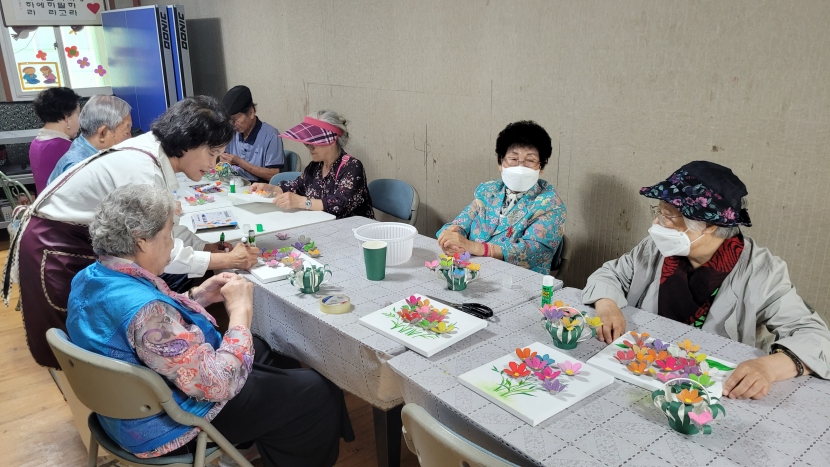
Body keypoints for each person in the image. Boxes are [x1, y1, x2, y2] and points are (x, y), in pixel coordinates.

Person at [66, 184, 353, 466]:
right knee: (318, 391)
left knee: (268, 350)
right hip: (168, 423)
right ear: (141, 241)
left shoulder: (90, 276)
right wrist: (240, 312)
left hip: (124, 408)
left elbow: (148, 328)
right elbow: (217, 385)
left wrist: (199, 295)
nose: (172, 245)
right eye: (168, 235)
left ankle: (263, 438)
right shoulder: (147, 313)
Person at [2, 96, 259, 370]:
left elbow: (164, 226)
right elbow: (158, 251)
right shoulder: (143, 169)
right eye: (213, 152)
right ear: (188, 141)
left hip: (74, 240)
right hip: (59, 246)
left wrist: (202, 247)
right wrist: (226, 260)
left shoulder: (153, 152)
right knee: (82, 348)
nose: (215, 163)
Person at [583, 161, 830, 399]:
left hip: (708, 387)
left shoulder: (761, 272)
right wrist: (608, 305)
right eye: (657, 212)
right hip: (642, 366)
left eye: (668, 216)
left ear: (709, 225)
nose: (656, 223)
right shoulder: (656, 248)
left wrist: (768, 368)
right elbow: (610, 274)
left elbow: (816, 338)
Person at [436, 120, 566, 274]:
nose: (520, 167)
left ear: (541, 167)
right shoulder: (488, 191)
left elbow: (532, 252)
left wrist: (473, 247)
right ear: (500, 162)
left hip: (518, 280)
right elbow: (460, 224)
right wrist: (451, 239)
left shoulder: (550, 204)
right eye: (513, 159)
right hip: (473, 271)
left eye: (530, 160)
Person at [251, 110, 374, 219]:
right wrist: (270, 189)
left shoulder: (352, 167)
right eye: (307, 143)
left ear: (331, 140)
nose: (309, 147)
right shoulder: (315, 166)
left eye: (314, 143)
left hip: (353, 230)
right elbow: (297, 186)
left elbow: (340, 205)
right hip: (324, 225)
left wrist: (302, 202)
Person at [47, 95, 133, 184]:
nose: (130, 137)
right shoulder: (81, 169)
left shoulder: (84, 144)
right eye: (127, 131)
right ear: (102, 133)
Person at [220, 85, 284, 182]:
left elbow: (273, 175)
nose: (232, 124)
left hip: (259, 188)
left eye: (235, 120)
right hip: (235, 184)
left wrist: (240, 162)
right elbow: (224, 162)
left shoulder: (271, 135)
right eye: (229, 121)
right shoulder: (232, 133)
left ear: (251, 112)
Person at [29, 87, 80, 193]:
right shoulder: (63, 146)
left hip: (43, 201)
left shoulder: (36, 142)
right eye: (78, 115)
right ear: (66, 117)